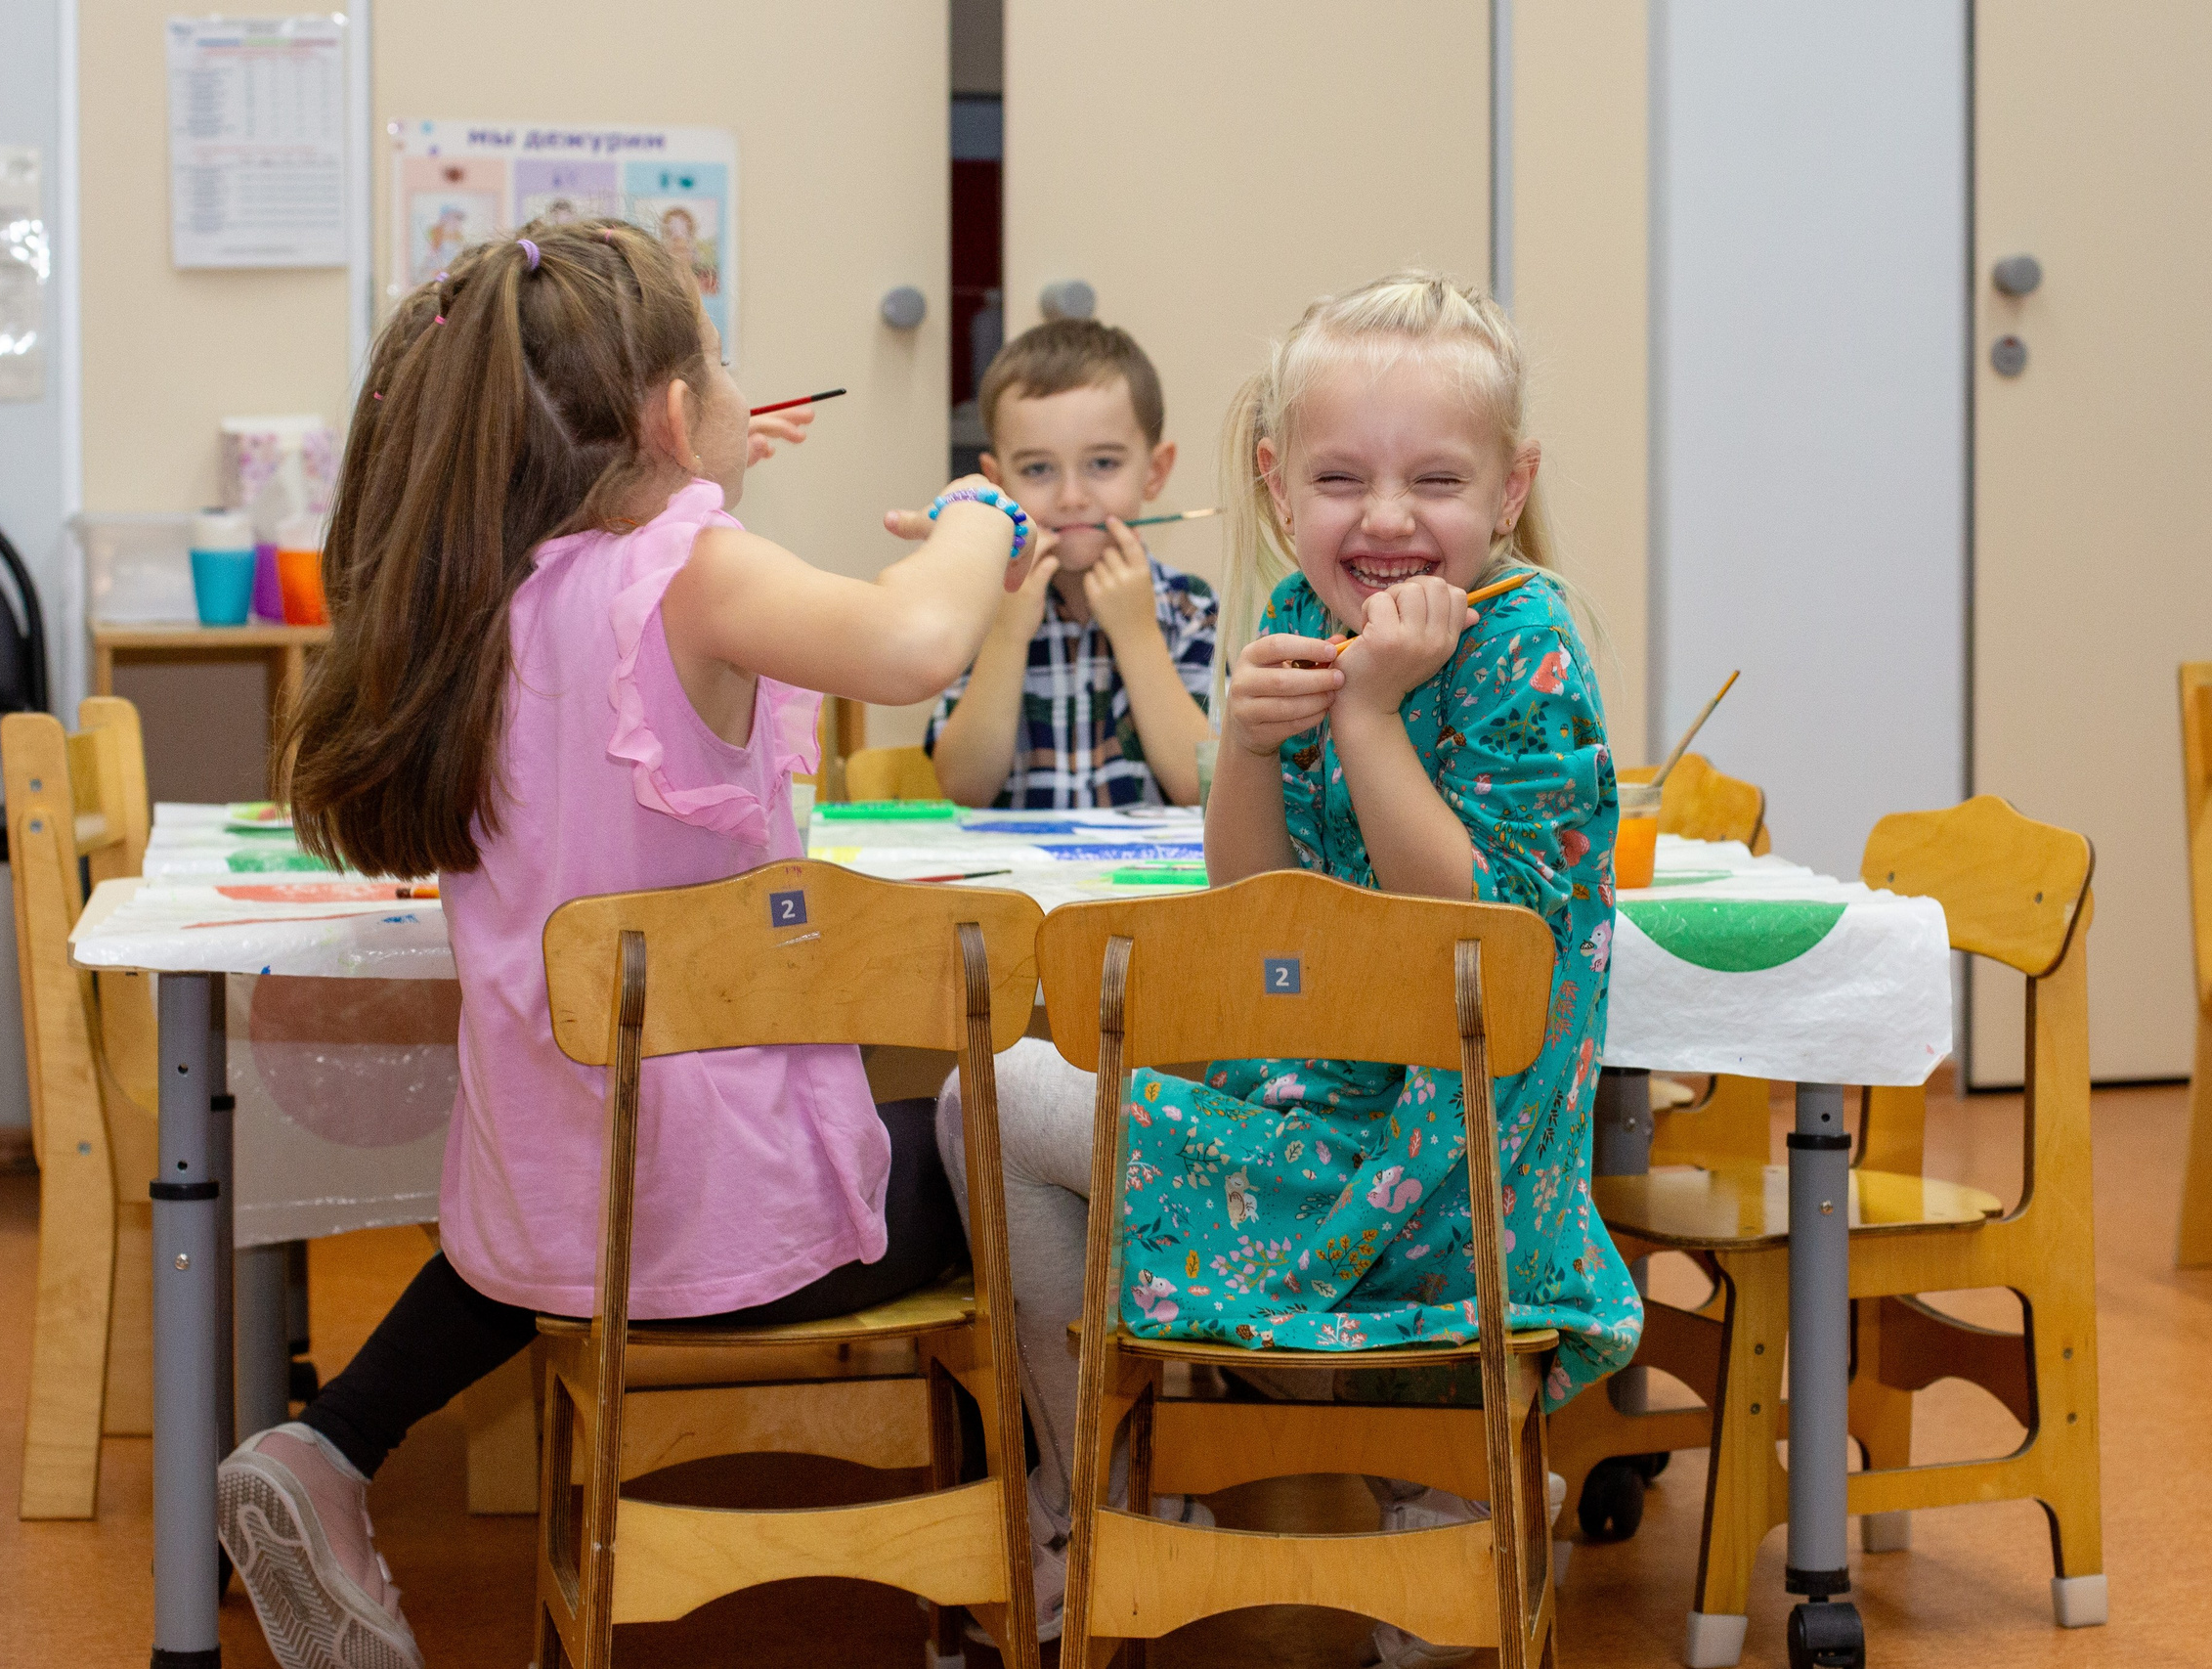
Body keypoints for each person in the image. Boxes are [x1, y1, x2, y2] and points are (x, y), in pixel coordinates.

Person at [213, 218, 1037, 1669]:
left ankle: (332, 1440)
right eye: (715, 363)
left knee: (571, 1194)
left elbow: (644, 594)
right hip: (731, 1223)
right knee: (1007, 1146)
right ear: (668, 417)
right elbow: (913, 646)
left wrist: (702, 472)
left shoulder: (487, 600)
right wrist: (990, 514)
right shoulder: (691, 571)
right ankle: (1009, 1551)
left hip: (548, 1216)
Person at [936, 273, 1642, 1663]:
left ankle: (1154, 1500)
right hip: (1333, 1127)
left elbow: (1488, 955)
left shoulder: (1524, 646)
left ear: (1510, 489)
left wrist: (1369, 718)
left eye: (1434, 477)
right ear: (1275, 485)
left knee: (996, 1098)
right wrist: (1246, 748)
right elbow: (1256, 913)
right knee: (991, 1096)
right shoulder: (1315, 632)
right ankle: (1105, 1480)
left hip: (1460, 1172)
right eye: (1340, 477)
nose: (1385, 516)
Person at [926, 319, 1216, 808]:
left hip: (1149, 886)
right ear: (998, 482)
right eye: (1038, 469)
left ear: (1155, 471)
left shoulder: (1190, 607)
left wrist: (1138, 634)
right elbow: (964, 787)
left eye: (1103, 464)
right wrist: (1005, 634)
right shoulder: (981, 606)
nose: (1071, 497)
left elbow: (1201, 786)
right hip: (1020, 884)